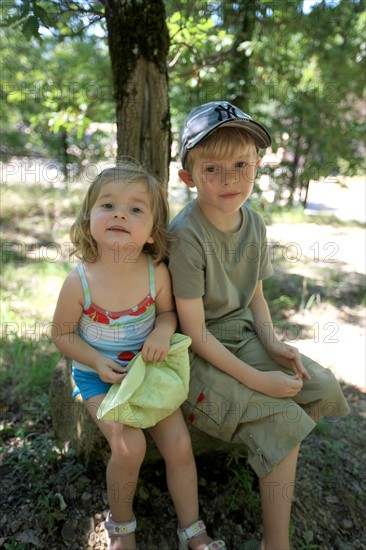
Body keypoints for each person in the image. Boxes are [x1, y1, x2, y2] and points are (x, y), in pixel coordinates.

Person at [168, 101, 350, 550]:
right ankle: (277, 540)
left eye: (241, 165)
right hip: (197, 354)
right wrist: (258, 381)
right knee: (280, 413)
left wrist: (273, 345)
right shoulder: (186, 235)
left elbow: (256, 298)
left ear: (258, 166)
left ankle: (268, 456)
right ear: (188, 176)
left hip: (242, 335)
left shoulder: (254, 224)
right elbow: (194, 333)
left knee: (322, 388)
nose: (230, 179)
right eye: (212, 168)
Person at [51, 161, 226, 550]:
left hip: (147, 371)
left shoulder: (155, 273)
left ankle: (192, 529)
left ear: (150, 233)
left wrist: (163, 332)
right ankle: (121, 528)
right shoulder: (79, 281)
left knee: (179, 444)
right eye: (107, 205)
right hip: (98, 375)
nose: (119, 213)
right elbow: (61, 335)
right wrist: (96, 360)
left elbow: (167, 314)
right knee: (130, 446)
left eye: (135, 209)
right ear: (89, 218)